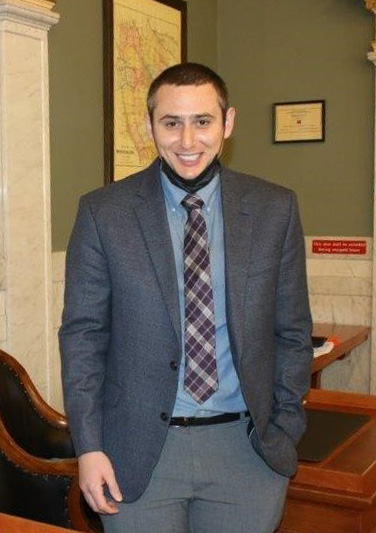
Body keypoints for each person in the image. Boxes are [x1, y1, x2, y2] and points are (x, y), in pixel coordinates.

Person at [59, 62, 313, 533]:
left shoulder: (275, 208)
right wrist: (89, 447)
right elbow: (83, 338)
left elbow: (292, 330)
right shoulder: (103, 212)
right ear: (149, 126)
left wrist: (285, 426)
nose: (188, 141)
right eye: (171, 123)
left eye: (203, 121)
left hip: (247, 452)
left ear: (228, 122)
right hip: (137, 455)